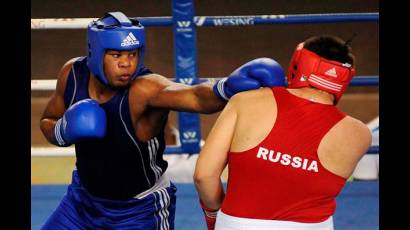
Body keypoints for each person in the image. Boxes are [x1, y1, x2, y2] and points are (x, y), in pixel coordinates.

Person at [39, 11, 287, 229]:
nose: (127, 63)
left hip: (138, 210)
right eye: (116, 55)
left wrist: (225, 88)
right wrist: (63, 131)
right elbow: (48, 121)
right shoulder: (72, 73)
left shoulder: (144, 89)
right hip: (82, 202)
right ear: (96, 54)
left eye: (133, 54)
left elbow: (195, 98)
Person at [194, 35, 372, 230]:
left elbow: (204, 175)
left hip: (238, 224)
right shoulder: (360, 135)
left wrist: (213, 218)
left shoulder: (246, 101)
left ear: (299, 63)